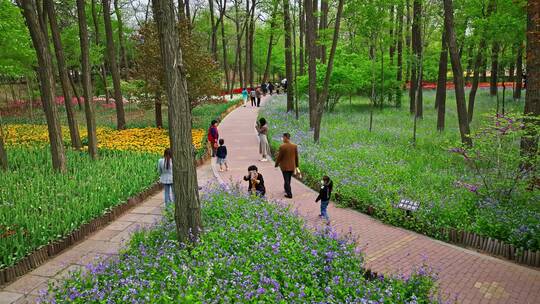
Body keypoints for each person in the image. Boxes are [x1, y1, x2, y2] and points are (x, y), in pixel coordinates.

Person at [274, 133, 298, 199]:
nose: (282, 139)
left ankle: (289, 194)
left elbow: (279, 157)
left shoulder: (282, 146)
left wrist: (276, 164)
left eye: (283, 137)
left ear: (285, 137)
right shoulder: (294, 146)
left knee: (286, 179)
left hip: (285, 166)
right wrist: (297, 165)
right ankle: (286, 189)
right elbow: (296, 157)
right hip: (292, 166)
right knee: (288, 179)